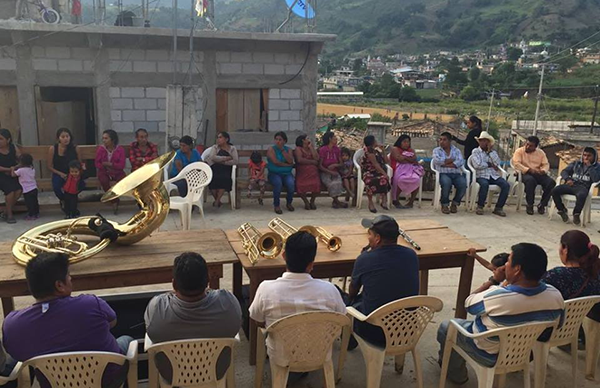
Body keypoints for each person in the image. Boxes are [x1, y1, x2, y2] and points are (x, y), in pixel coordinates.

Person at [437, 243, 564, 385]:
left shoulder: (498, 296)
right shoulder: (555, 295)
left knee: (447, 326)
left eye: (509, 261)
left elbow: (468, 304)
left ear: (517, 269)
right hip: (524, 352)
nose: (505, 265)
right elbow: (557, 326)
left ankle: (457, 375)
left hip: (488, 354)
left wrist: (496, 281)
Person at [2, 253, 134, 388]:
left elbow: (16, 355)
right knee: (127, 340)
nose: (71, 279)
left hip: (53, 384)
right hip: (107, 381)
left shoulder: (13, 325)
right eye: (68, 276)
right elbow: (112, 322)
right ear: (59, 285)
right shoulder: (91, 304)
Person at [249, 231, 346, 366]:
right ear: (311, 264)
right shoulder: (330, 290)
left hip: (281, 357)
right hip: (319, 353)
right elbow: (340, 319)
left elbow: (258, 320)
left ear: (283, 256)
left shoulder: (266, 288)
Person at [349, 215, 419, 347]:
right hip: (405, 329)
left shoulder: (365, 259)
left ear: (377, 238)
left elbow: (352, 292)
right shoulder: (411, 255)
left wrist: (364, 257)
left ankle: (349, 341)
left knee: (343, 300)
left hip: (375, 332)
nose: (368, 238)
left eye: (369, 234)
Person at [145, 252, 242, 343]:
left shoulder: (156, 308)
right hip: (217, 361)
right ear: (208, 280)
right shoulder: (229, 304)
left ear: (174, 284)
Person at [542, 230, 600, 305]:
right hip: (584, 314)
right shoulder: (595, 269)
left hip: (561, 315)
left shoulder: (556, 276)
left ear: (565, 249)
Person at [551, 147, 600, 225]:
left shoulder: (597, 167)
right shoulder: (576, 163)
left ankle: (576, 214)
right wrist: (567, 179)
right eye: (584, 155)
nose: (586, 158)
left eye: (589, 156)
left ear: (594, 157)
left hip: (583, 187)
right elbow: (564, 172)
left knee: (581, 195)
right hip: (572, 184)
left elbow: (596, 180)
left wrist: (590, 167)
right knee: (555, 190)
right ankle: (562, 210)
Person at [511, 136, 555, 215]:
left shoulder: (541, 153)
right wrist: (528, 170)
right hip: (524, 173)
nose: (528, 147)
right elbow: (516, 164)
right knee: (530, 181)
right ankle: (530, 205)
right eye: (527, 144)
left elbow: (546, 164)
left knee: (551, 182)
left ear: (535, 147)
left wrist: (543, 171)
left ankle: (542, 205)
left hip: (537, 173)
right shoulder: (519, 151)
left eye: (531, 146)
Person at [470, 131, 510, 217]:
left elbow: (497, 163)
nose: (484, 143)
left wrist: (490, 152)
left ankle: (498, 208)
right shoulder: (475, 151)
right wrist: (489, 164)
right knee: (484, 184)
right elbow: (477, 165)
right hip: (481, 175)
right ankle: (480, 206)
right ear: (479, 142)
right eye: (482, 141)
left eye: (486, 141)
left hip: (493, 175)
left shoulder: (492, 152)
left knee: (506, 185)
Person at [46, 128, 85, 204]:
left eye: (67, 136)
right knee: (56, 187)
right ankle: (65, 200)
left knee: (80, 185)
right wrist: (61, 174)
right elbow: (49, 166)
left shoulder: (75, 148)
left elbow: (80, 163)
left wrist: (78, 172)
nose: (65, 139)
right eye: (63, 137)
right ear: (58, 138)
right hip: (58, 173)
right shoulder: (53, 149)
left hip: (73, 173)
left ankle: (71, 201)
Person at [432, 132, 467, 214]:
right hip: (443, 173)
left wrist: (445, 164)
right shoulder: (436, 150)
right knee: (446, 183)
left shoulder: (456, 150)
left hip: (456, 173)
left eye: (444, 140)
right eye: (440, 139)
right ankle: (444, 204)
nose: (441, 142)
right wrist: (452, 161)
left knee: (463, 184)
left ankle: (455, 203)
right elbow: (437, 161)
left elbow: (460, 162)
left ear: (450, 141)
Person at [203, 132, 238, 208]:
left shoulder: (232, 148)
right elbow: (213, 157)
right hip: (215, 167)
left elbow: (235, 161)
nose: (218, 139)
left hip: (226, 168)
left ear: (226, 139)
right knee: (212, 179)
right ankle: (217, 200)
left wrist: (223, 162)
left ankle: (217, 201)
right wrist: (226, 158)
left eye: (220, 137)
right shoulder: (215, 147)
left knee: (224, 179)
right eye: (217, 137)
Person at [95, 129, 126, 214]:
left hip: (117, 171)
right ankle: (114, 201)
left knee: (123, 180)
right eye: (103, 138)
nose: (104, 140)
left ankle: (115, 198)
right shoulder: (101, 149)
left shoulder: (120, 150)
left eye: (106, 138)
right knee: (104, 181)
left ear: (112, 140)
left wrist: (110, 165)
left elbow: (121, 165)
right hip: (104, 171)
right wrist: (105, 167)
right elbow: (97, 163)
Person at [390, 135, 424, 209]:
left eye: (408, 142)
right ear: (400, 142)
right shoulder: (395, 149)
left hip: (410, 170)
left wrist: (404, 157)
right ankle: (396, 199)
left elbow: (414, 159)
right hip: (398, 170)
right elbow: (399, 159)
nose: (406, 144)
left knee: (416, 179)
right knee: (400, 179)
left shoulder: (411, 150)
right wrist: (409, 158)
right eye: (404, 142)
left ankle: (411, 202)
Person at [361, 135, 391, 213]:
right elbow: (375, 165)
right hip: (369, 172)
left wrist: (383, 151)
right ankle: (370, 202)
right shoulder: (369, 151)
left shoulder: (376, 151)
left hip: (377, 172)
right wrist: (384, 173)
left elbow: (386, 161)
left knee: (383, 179)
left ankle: (383, 200)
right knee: (370, 181)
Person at [266, 131, 295, 214]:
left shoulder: (288, 150)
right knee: (278, 184)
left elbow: (290, 160)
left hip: (286, 174)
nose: (278, 141)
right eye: (276, 139)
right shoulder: (271, 149)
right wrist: (287, 165)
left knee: (291, 184)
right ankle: (277, 205)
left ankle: (289, 203)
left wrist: (282, 150)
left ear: (284, 141)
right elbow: (275, 162)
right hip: (274, 173)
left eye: (280, 139)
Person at [319, 132, 348, 209]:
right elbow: (320, 165)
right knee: (331, 184)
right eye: (334, 137)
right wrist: (329, 171)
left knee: (338, 183)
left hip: (335, 172)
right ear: (330, 139)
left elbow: (341, 163)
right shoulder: (323, 150)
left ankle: (335, 202)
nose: (336, 139)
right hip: (325, 172)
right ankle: (337, 201)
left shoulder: (337, 150)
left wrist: (335, 165)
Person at [0, 128, 22, 224]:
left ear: (8, 140)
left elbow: (22, 160)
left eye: (1, 139)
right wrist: (9, 169)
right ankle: (9, 215)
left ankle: (4, 212)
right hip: (2, 175)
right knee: (10, 192)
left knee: (19, 190)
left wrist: (15, 168)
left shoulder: (13, 148)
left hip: (13, 174)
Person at [294, 134, 321, 210]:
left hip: (313, 171)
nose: (309, 139)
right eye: (307, 138)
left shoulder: (310, 148)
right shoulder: (298, 149)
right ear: (303, 140)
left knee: (317, 184)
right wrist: (312, 162)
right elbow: (300, 160)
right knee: (300, 185)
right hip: (302, 170)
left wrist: (311, 148)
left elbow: (317, 158)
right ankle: (305, 201)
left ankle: (312, 201)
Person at [11, 153, 39, 220]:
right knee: (35, 202)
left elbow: (13, 175)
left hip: (27, 190)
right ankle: (36, 213)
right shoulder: (32, 168)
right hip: (34, 188)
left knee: (29, 203)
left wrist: (12, 168)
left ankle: (31, 215)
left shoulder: (21, 170)